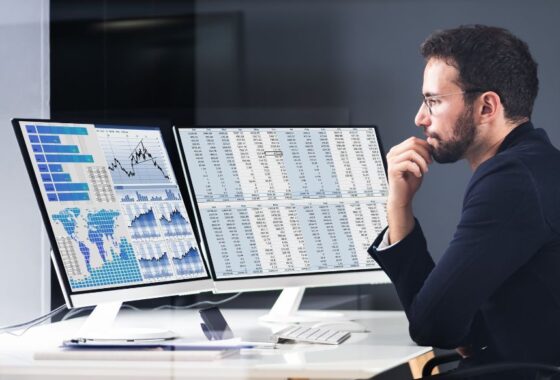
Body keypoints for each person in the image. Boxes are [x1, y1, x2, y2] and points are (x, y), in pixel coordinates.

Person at [368, 25, 560, 378]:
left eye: (433, 101)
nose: (420, 118)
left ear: (487, 106)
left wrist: (398, 208)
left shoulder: (511, 180)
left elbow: (433, 326)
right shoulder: (535, 164)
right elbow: (455, 326)